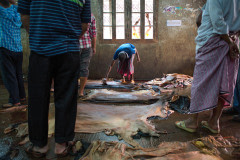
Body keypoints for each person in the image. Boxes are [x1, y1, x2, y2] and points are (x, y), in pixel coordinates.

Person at [18, 0, 91, 158]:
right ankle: (61, 145)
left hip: (40, 49)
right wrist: (68, 38)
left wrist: (40, 36)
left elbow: (24, 15)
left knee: (38, 98)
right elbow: (85, 24)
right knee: (66, 97)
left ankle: (39, 146)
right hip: (68, 50)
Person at [175, 0, 240, 134]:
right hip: (233, 41)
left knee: (201, 81)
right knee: (226, 81)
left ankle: (192, 122)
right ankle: (214, 122)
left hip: (214, 41)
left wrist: (228, 41)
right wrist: (233, 41)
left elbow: (216, 22)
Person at [0, 0, 26, 108]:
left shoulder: (1, 11)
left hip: (5, 47)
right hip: (18, 48)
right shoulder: (16, 10)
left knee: (9, 76)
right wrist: (14, 2)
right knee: (18, 75)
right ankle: (21, 97)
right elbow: (18, 5)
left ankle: (14, 101)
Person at [78, 13, 97, 97]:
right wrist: (93, 47)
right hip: (87, 45)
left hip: (73, 45)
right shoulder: (91, 16)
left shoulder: (70, 11)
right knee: (84, 69)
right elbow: (93, 33)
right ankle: (81, 92)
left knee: (71, 69)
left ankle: (71, 92)